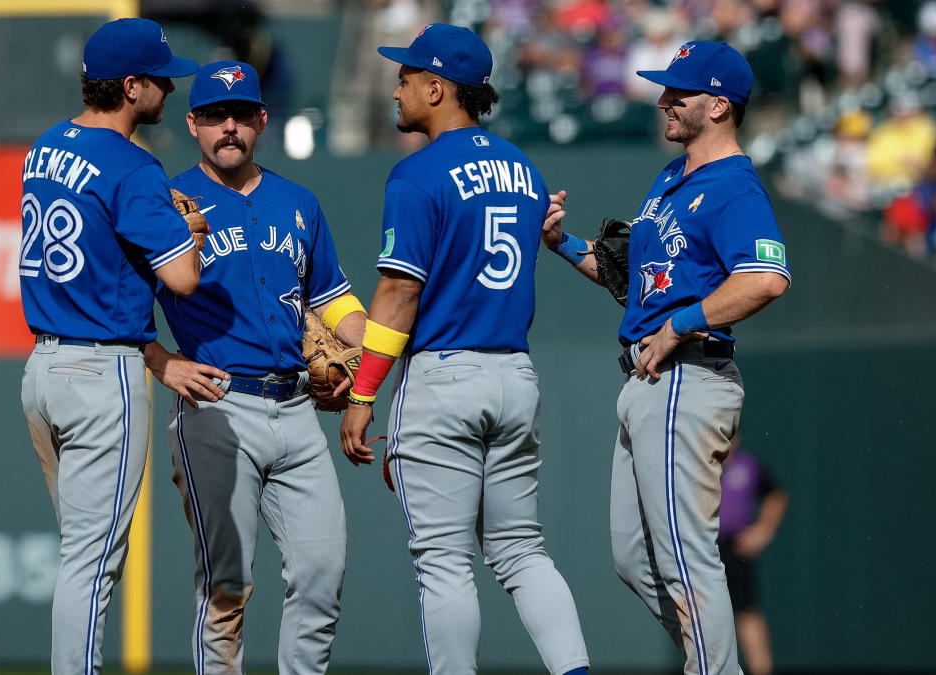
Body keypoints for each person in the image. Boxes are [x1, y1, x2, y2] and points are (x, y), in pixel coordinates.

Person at [339, 24, 590, 675]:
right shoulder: (524, 168)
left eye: (404, 77)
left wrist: (364, 392)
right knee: (522, 551)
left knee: (445, 560)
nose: (395, 89)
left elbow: (396, 296)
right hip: (514, 375)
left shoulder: (418, 174)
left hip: (446, 375)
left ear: (436, 85)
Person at [542, 41, 791, 675]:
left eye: (679, 92)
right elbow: (630, 280)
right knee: (632, 558)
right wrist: (561, 243)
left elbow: (765, 278)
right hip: (649, 378)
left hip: (689, 376)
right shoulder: (671, 178)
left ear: (719, 105)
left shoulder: (734, 186)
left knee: (685, 556)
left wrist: (682, 322)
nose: (663, 100)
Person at [144, 60, 366, 675]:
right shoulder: (168, 202)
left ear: (262, 121)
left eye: (241, 114)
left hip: (296, 410)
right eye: (215, 115)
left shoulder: (299, 202)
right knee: (227, 588)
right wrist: (160, 361)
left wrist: (376, 344)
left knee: (322, 575)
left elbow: (332, 299)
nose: (229, 127)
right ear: (193, 124)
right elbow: (122, 301)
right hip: (218, 405)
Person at [18, 18, 201, 675]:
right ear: (130, 86)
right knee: (92, 561)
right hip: (101, 373)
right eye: (159, 78)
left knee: (82, 554)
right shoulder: (132, 164)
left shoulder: (45, 145)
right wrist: (192, 231)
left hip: (43, 368)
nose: (170, 88)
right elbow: (182, 276)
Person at [718, 437, 788, 675]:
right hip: (704, 548)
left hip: (736, 549)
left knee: (746, 611)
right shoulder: (697, 467)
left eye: (731, 436)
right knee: (703, 613)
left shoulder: (748, 466)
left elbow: (776, 496)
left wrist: (763, 531)